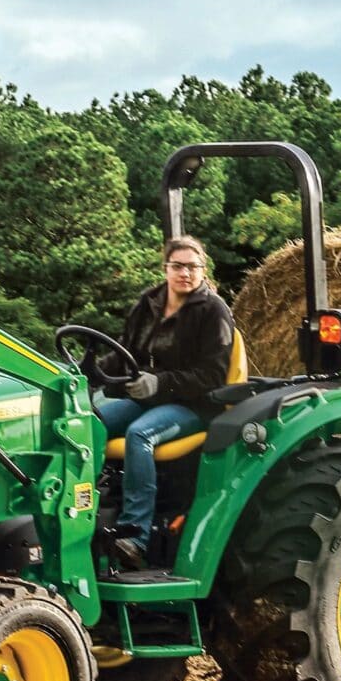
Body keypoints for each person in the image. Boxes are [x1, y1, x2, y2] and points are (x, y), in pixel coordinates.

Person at [94, 235, 234, 570]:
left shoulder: (213, 311)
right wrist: (86, 373)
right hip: (145, 397)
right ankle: (83, 512)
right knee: (87, 423)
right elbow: (125, 353)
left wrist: (161, 383)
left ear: (202, 270)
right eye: (178, 266)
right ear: (166, 268)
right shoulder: (150, 302)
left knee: (140, 435)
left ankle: (135, 536)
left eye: (192, 266)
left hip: (195, 405)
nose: (185, 272)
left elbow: (214, 375)